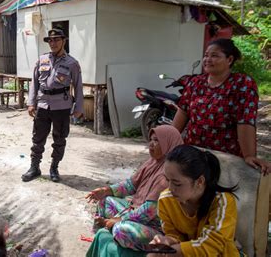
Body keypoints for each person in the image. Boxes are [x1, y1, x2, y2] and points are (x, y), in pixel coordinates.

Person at [172, 38, 270, 174]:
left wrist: (249, 155)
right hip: (193, 156)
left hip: (225, 159)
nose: (207, 59)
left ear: (229, 60)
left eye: (214, 55)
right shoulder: (195, 82)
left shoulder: (242, 84)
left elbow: (245, 121)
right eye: (206, 55)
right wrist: (168, 139)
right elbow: (183, 112)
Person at [85, 125, 183, 256]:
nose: (151, 144)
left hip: (156, 227)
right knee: (104, 201)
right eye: (151, 140)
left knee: (121, 230)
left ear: (168, 143)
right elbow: (131, 184)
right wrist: (106, 190)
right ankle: (101, 235)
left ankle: (113, 232)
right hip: (135, 211)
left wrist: (117, 220)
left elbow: (148, 212)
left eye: (156, 141)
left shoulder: (168, 174)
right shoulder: (152, 162)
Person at [150, 145, 240, 256]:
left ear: (200, 181)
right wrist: (168, 240)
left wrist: (171, 253)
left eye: (177, 183)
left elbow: (212, 246)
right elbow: (175, 235)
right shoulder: (165, 201)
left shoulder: (223, 202)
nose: (170, 188)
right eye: (167, 180)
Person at [22, 28, 84, 182]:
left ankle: (54, 168)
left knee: (59, 139)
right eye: (50, 40)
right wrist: (31, 103)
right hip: (43, 105)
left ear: (64, 41)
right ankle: (34, 167)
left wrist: (79, 108)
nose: (53, 43)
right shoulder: (42, 60)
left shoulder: (72, 63)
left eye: (57, 39)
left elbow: (78, 85)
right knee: (38, 138)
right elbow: (34, 82)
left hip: (61, 106)